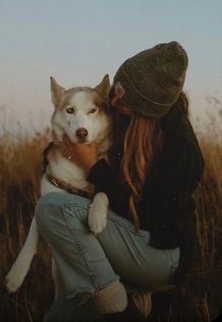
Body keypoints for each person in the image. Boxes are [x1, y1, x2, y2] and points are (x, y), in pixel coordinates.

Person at [35, 41, 204, 322]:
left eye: (124, 100)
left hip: (162, 253)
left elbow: (147, 214)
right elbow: (69, 137)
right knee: (61, 314)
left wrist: (91, 166)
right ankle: (135, 297)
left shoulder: (180, 149)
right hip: (126, 239)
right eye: (117, 89)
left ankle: (122, 310)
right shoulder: (121, 115)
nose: (113, 102)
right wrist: (64, 153)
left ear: (144, 110)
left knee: (53, 208)